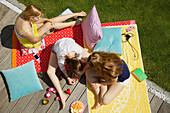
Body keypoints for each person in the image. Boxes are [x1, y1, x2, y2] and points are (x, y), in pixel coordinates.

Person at [14, 4, 86, 49]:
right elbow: (35, 40)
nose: (39, 19)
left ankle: (74, 15)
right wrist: (45, 35)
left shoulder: (25, 13)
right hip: (32, 41)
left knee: (49, 21)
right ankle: (73, 23)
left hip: (31, 29)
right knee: (49, 24)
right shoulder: (25, 30)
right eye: (37, 17)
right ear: (30, 17)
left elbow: (36, 21)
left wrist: (47, 19)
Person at [47, 38, 90, 110]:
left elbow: (80, 60)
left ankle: (79, 70)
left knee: (88, 58)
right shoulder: (61, 58)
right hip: (57, 46)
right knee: (50, 72)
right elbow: (62, 68)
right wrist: (68, 77)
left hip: (70, 42)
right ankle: (62, 95)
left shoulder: (78, 50)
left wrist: (79, 73)